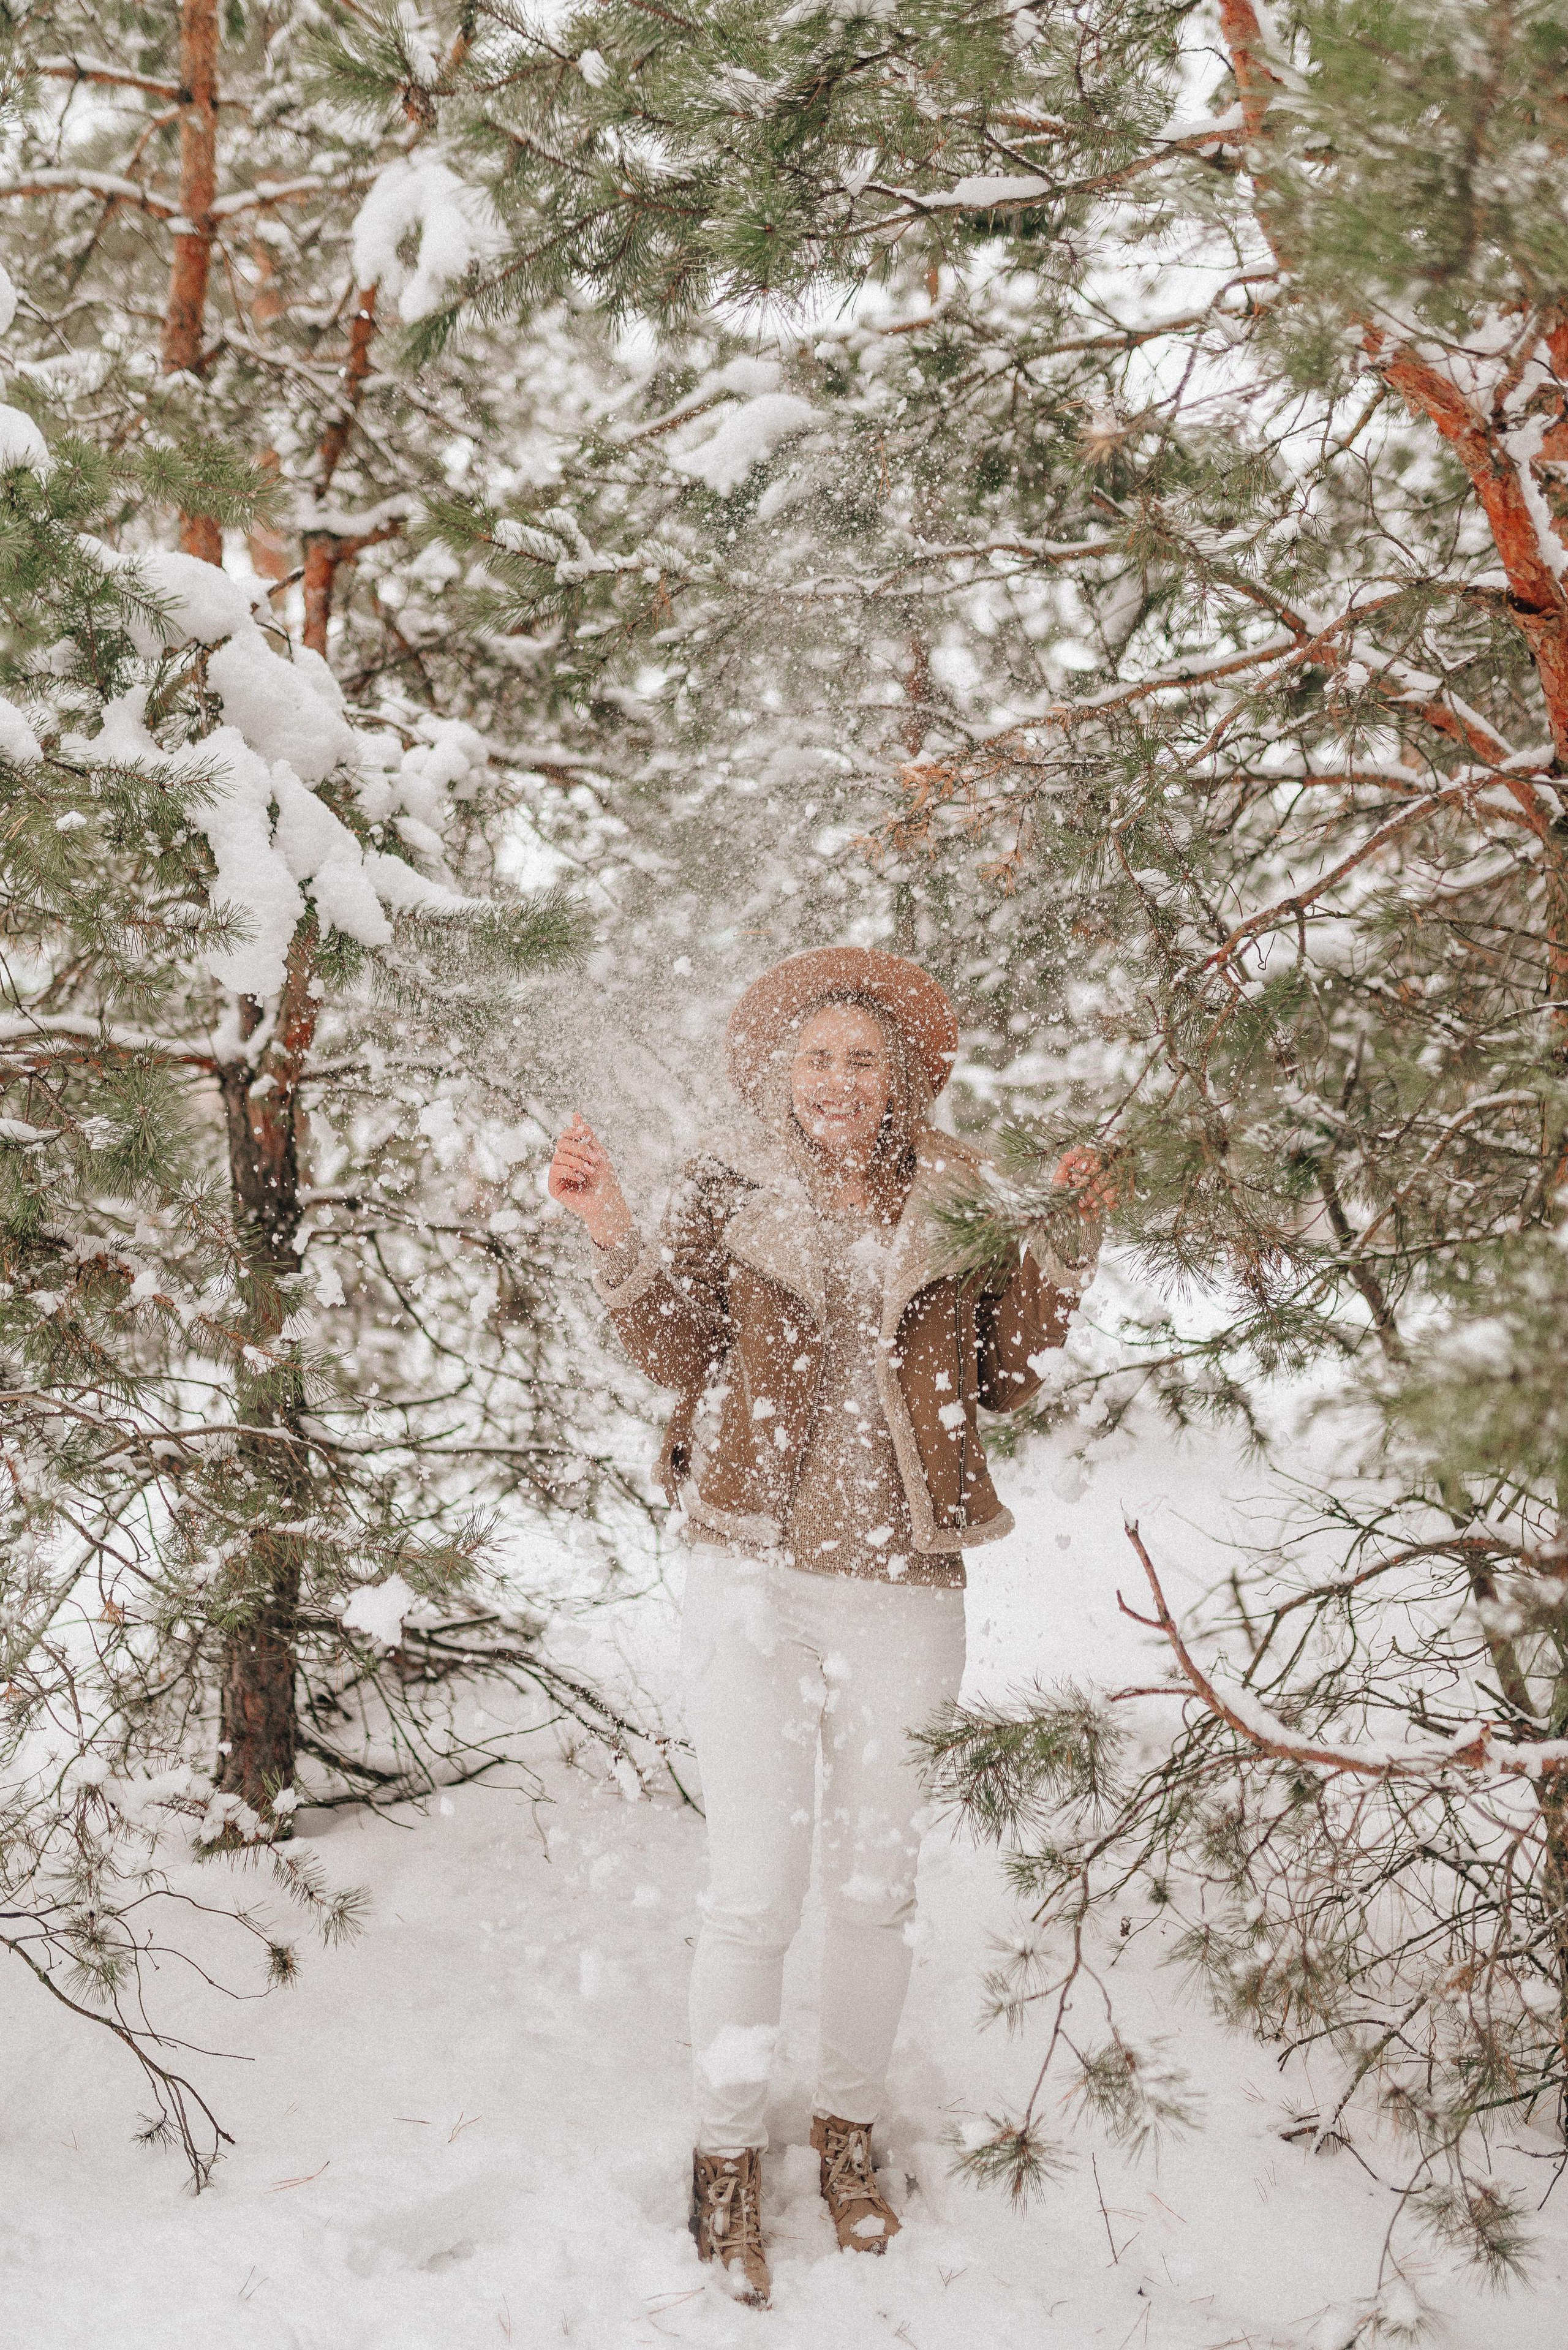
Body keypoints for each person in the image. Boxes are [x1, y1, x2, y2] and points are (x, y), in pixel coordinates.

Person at [548, 946, 1108, 2306]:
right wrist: (612, 1220)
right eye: (815, 1058)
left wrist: (1066, 1238)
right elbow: (677, 1350)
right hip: (749, 1574)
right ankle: (724, 2155)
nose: (837, 1081)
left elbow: (1006, 1374)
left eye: (863, 1059)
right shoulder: (729, 1189)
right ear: (777, 1072)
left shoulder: (958, 1199)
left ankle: (846, 2134)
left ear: (902, 1076)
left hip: (907, 1584)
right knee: (753, 1886)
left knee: (874, 1886)